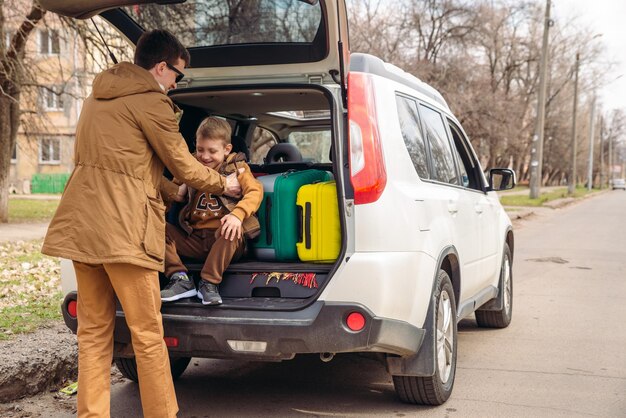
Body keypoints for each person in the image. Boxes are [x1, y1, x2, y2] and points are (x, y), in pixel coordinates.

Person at [41, 30, 242, 418]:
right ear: (161, 67)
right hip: (125, 230)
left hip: (83, 225)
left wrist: (171, 192)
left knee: (94, 334)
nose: (176, 85)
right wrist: (223, 183)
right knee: (147, 335)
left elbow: (119, 162)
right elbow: (183, 161)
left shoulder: (97, 98)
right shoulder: (151, 101)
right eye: (177, 76)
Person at [161, 116, 263, 305]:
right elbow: (171, 195)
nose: (205, 156)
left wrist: (237, 215)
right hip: (194, 238)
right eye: (200, 149)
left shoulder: (237, 168)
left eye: (212, 151)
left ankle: (208, 283)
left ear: (227, 149)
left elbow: (255, 192)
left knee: (231, 229)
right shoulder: (191, 168)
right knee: (155, 226)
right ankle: (180, 278)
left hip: (223, 240)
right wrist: (174, 195)